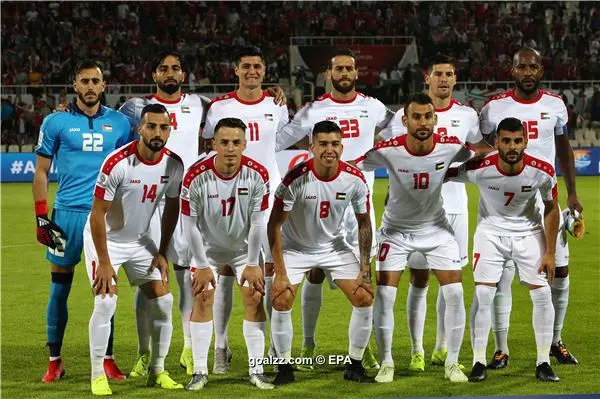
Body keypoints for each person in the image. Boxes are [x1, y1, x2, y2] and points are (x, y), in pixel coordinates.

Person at [275, 48, 399, 371]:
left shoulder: (373, 107)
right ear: (328, 74)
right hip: (319, 201)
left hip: (359, 202)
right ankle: (308, 343)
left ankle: (363, 349)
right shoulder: (314, 109)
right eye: (338, 68)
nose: (344, 73)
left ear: (357, 73)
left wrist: (377, 155)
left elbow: (396, 132)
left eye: (350, 68)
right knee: (314, 273)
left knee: (363, 278)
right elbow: (281, 138)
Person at [379, 54, 491, 372]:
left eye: (450, 74)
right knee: (418, 280)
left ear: (455, 79)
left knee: (450, 283)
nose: (444, 79)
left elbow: (479, 151)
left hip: (455, 208)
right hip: (414, 212)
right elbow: (390, 152)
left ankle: (442, 346)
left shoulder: (467, 115)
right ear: (427, 77)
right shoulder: (405, 114)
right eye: (438, 74)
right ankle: (417, 349)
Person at [355, 93, 471, 383]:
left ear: (435, 119)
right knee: (384, 295)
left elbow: (478, 158)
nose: (422, 121)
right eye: (416, 116)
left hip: (436, 229)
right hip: (395, 232)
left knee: (455, 293)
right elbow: (355, 166)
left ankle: (453, 364)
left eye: (427, 116)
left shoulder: (451, 147)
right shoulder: (387, 150)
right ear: (405, 120)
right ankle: (387, 362)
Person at [479, 47, 583, 368]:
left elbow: (564, 149)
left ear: (540, 70)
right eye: (521, 66)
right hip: (506, 202)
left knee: (560, 271)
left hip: (546, 199)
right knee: (502, 274)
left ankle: (555, 341)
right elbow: (483, 143)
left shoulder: (555, 105)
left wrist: (572, 193)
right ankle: (501, 348)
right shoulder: (494, 108)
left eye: (533, 66)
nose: (527, 71)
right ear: (512, 71)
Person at [33, 60, 131, 383]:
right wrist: (41, 217)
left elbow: (127, 173)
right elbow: (42, 172)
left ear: (104, 86)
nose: (90, 86)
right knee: (58, 290)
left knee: (106, 290)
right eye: (84, 81)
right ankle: (54, 360)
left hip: (102, 218)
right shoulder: (56, 121)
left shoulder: (119, 124)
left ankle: (107, 359)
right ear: (75, 85)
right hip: (66, 218)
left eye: (96, 81)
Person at [447, 117, 560, 383]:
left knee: (542, 296)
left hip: (530, 234)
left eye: (517, 141)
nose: (512, 146)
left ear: (526, 142)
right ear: (496, 142)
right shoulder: (479, 167)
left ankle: (543, 361)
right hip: (490, 234)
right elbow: (442, 175)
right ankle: (477, 361)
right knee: (483, 295)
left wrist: (550, 252)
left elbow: (552, 207)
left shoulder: (542, 170)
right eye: (506, 141)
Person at [118, 51, 209, 377]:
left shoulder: (201, 105)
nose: (170, 72)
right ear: (154, 74)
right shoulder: (133, 107)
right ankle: (145, 354)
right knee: (148, 281)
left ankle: (187, 347)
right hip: (146, 203)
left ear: (183, 74)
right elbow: (107, 125)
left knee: (187, 277)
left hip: (186, 204)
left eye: (175, 68)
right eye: (163, 68)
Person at [85, 103, 184, 395]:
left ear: (169, 130)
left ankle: (158, 370)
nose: (157, 132)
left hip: (140, 241)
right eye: (151, 126)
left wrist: (162, 252)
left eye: (163, 127)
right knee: (105, 302)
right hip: (105, 240)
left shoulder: (174, 164)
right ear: (139, 128)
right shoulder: (117, 163)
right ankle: (96, 375)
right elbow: (97, 214)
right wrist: (104, 262)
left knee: (164, 301)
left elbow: (171, 210)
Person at [202, 46, 289, 374]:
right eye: (246, 66)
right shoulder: (219, 106)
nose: (252, 71)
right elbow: (208, 147)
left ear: (264, 71)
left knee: (269, 272)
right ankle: (220, 347)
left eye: (257, 66)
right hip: (231, 197)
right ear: (236, 70)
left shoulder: (276, 104)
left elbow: (279, 143)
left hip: (269, 198)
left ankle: (268, 348)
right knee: (225, 273)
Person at [268, 120, 374, 385]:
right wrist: (280, 272)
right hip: (296, 247)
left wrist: (364, 266)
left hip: (333, 247)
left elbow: (364, 222)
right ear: (312, 146)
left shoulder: (354, 178)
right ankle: (283, 367)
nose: (330, 150)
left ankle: (355, 364)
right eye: (323, 144)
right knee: (281, 298)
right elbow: (274, 225)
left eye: (335, 144)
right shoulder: (295, 178)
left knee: (364, 296)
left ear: (342, 146)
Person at [181, 117, 273, 390]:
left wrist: (254, 263)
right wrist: (201, 263)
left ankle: (256, 371)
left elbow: (258, 223)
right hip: (206, 249)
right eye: (224, 142)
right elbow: (189, 225)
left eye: (236, 142)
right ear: (214, 144)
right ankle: (199, 371)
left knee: (254, 296)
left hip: (243, 249)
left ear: (244, 144)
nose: (230, 148)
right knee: (203, 297)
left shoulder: (258, 174)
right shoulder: (195, 176)